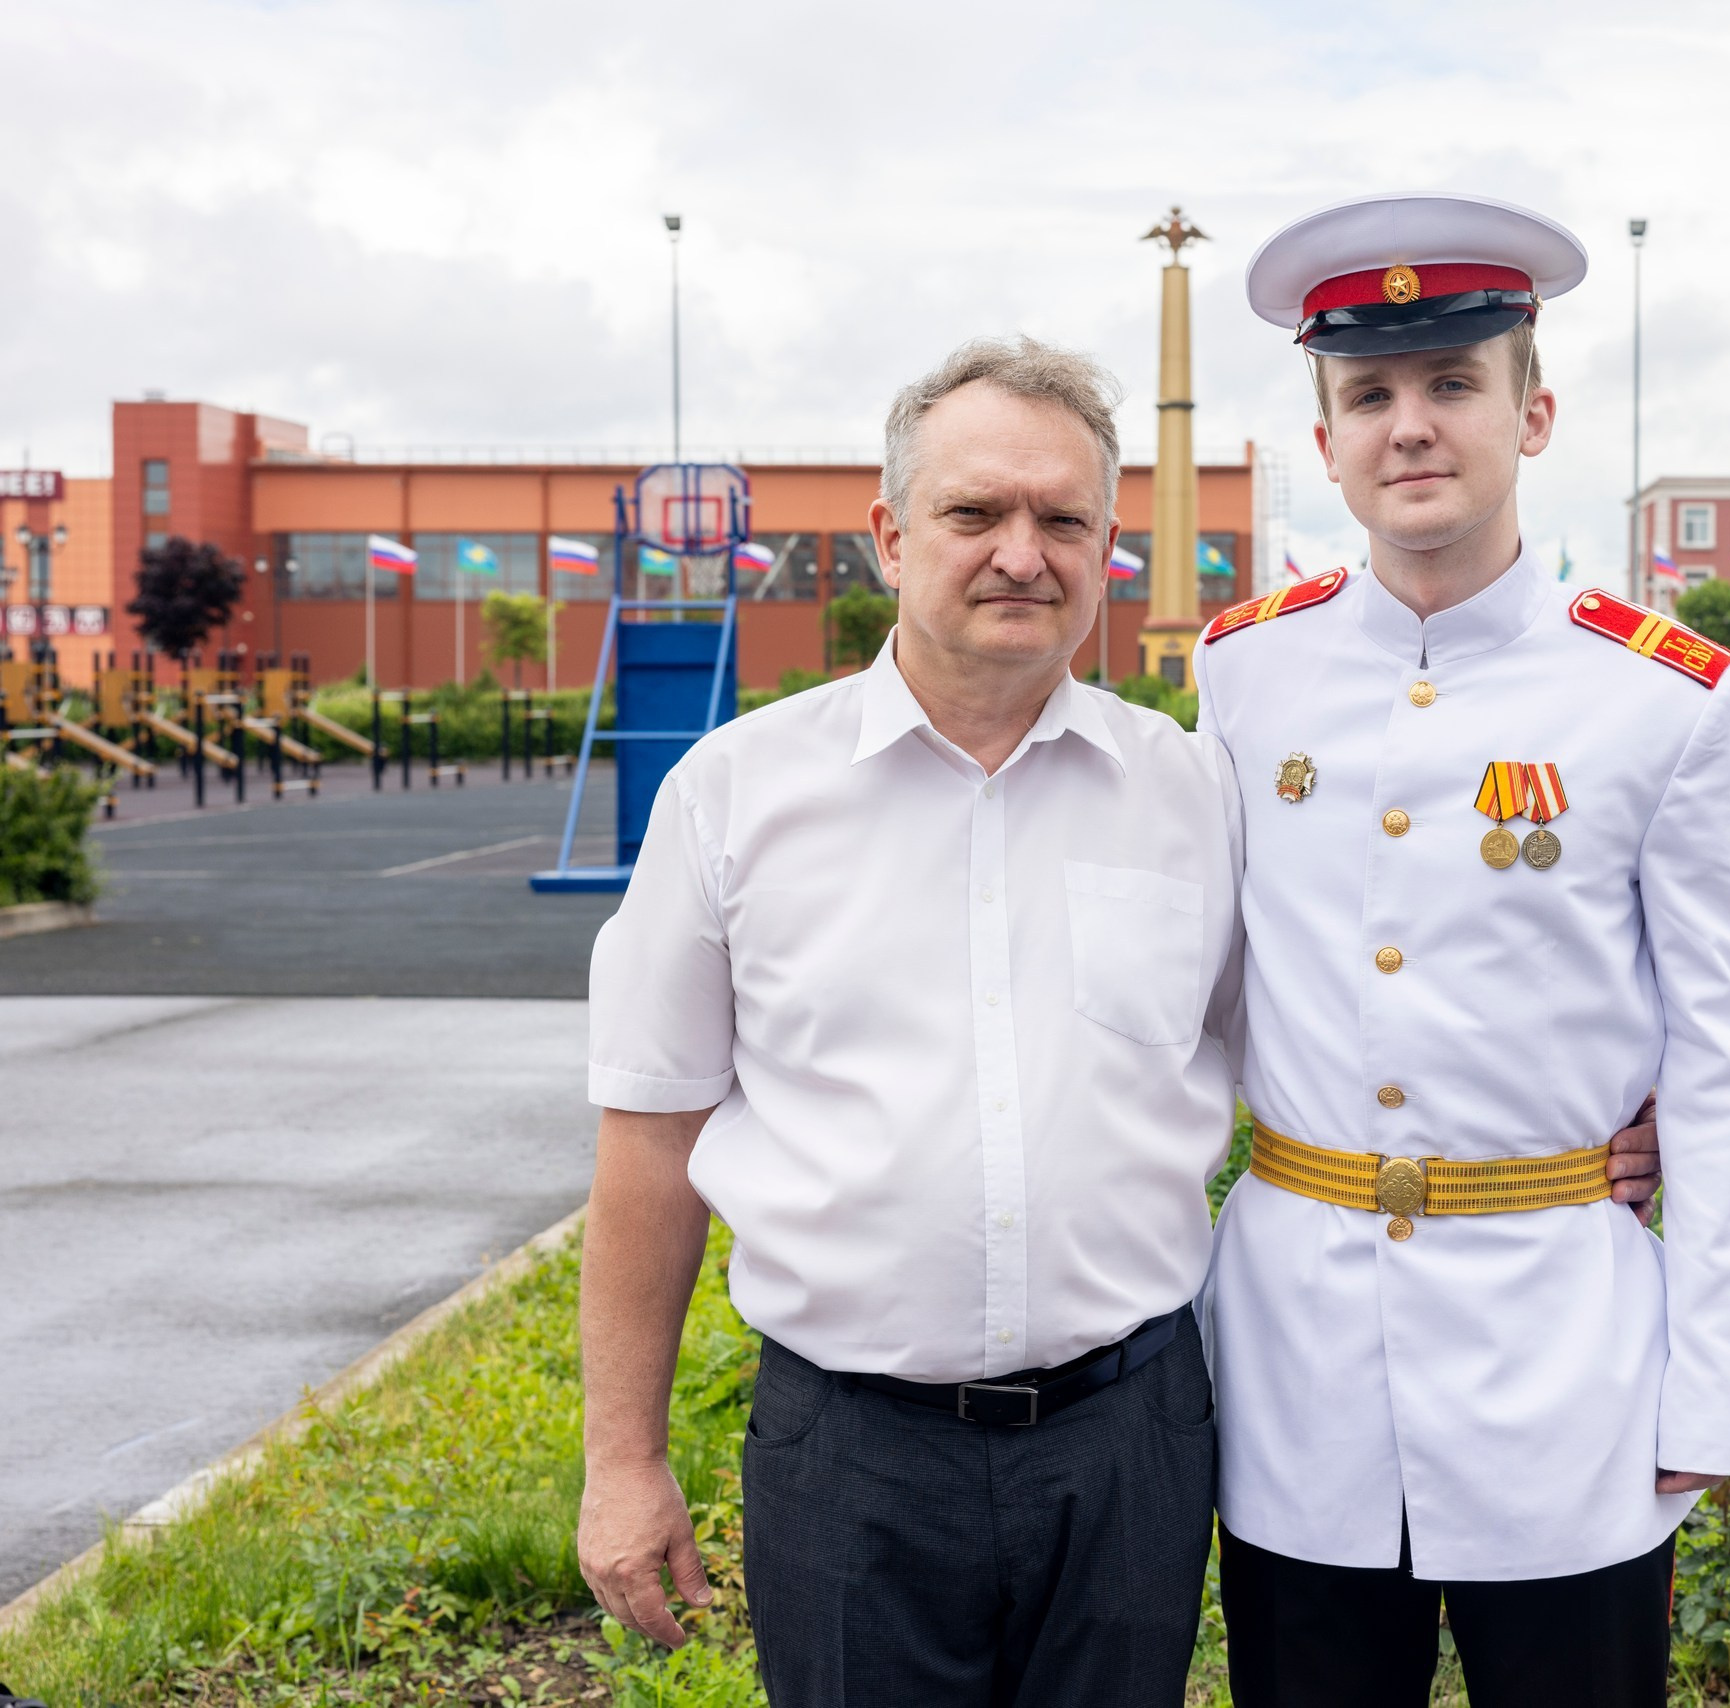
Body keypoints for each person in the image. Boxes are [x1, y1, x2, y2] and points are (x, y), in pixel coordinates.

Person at [573, 333, 1670, 1707]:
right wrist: (623, 1460)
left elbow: (1337, 1015)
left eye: (1064, 519)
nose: (1021, 553)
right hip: (851, 1453)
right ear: (887, 535)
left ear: (1107, 548)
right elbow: (650, 1138)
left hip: (1127, 1442)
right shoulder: (734, 800)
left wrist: (1587, 1133)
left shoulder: (1192, 792)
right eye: (974, 512)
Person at [1197, 193, 1730, 1708]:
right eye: (1369, 394)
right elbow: (1195, 988)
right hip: (1302, 1359)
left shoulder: (1663, 698)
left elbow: (1722, 1060)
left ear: (1532, 409)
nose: (1411, 425)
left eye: (1454, 382)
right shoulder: (1246, 671)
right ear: (1323, 437)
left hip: (1563, 1361)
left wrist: (1714, 1389)